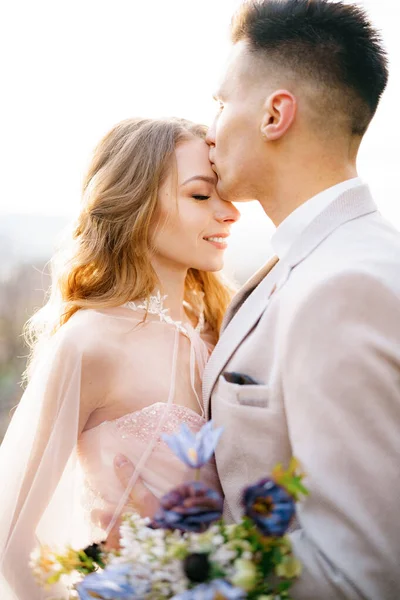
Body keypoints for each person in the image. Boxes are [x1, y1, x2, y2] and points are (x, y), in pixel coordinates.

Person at [202, 0, 400, 598]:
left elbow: (358, 577)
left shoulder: (346, 285)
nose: (210, 128)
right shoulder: (323, 258)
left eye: (220, 102)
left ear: (274, 114)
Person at [0, 117, 240, 599]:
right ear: (138, 204)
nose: (230, 212)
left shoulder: (222, 327)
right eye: (201, 195)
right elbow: (12, 541)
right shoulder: (91, 342)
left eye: (225, 193)